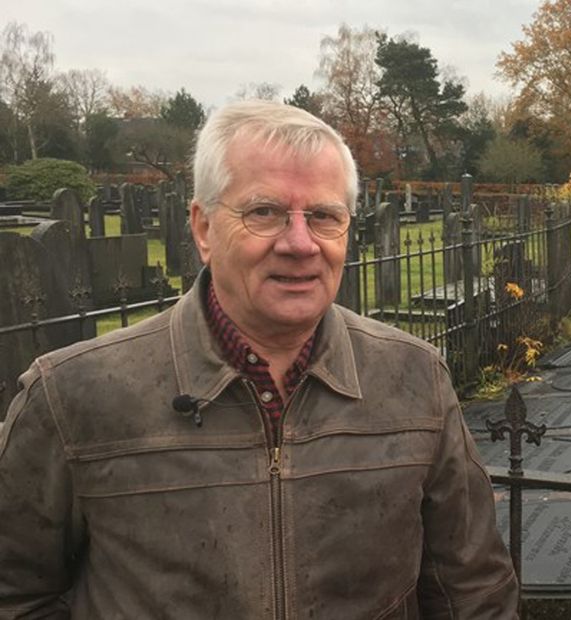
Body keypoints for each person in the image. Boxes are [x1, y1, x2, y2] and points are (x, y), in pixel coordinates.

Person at [0, 100, 518, 618]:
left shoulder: (415, 378)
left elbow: (471, 590)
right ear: (203, 229)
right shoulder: (71, 398)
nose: (300, 243)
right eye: (264, 212)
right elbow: (18, 595)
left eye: (323, 216)